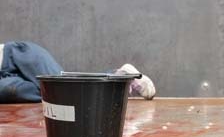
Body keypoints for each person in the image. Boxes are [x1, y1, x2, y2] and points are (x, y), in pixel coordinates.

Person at [0, 41, 156, 103]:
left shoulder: (17, 52)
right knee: (53, 98)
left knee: (61, 90)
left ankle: (121, 76)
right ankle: (117, 82)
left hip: (14, 55)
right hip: (5, 79)